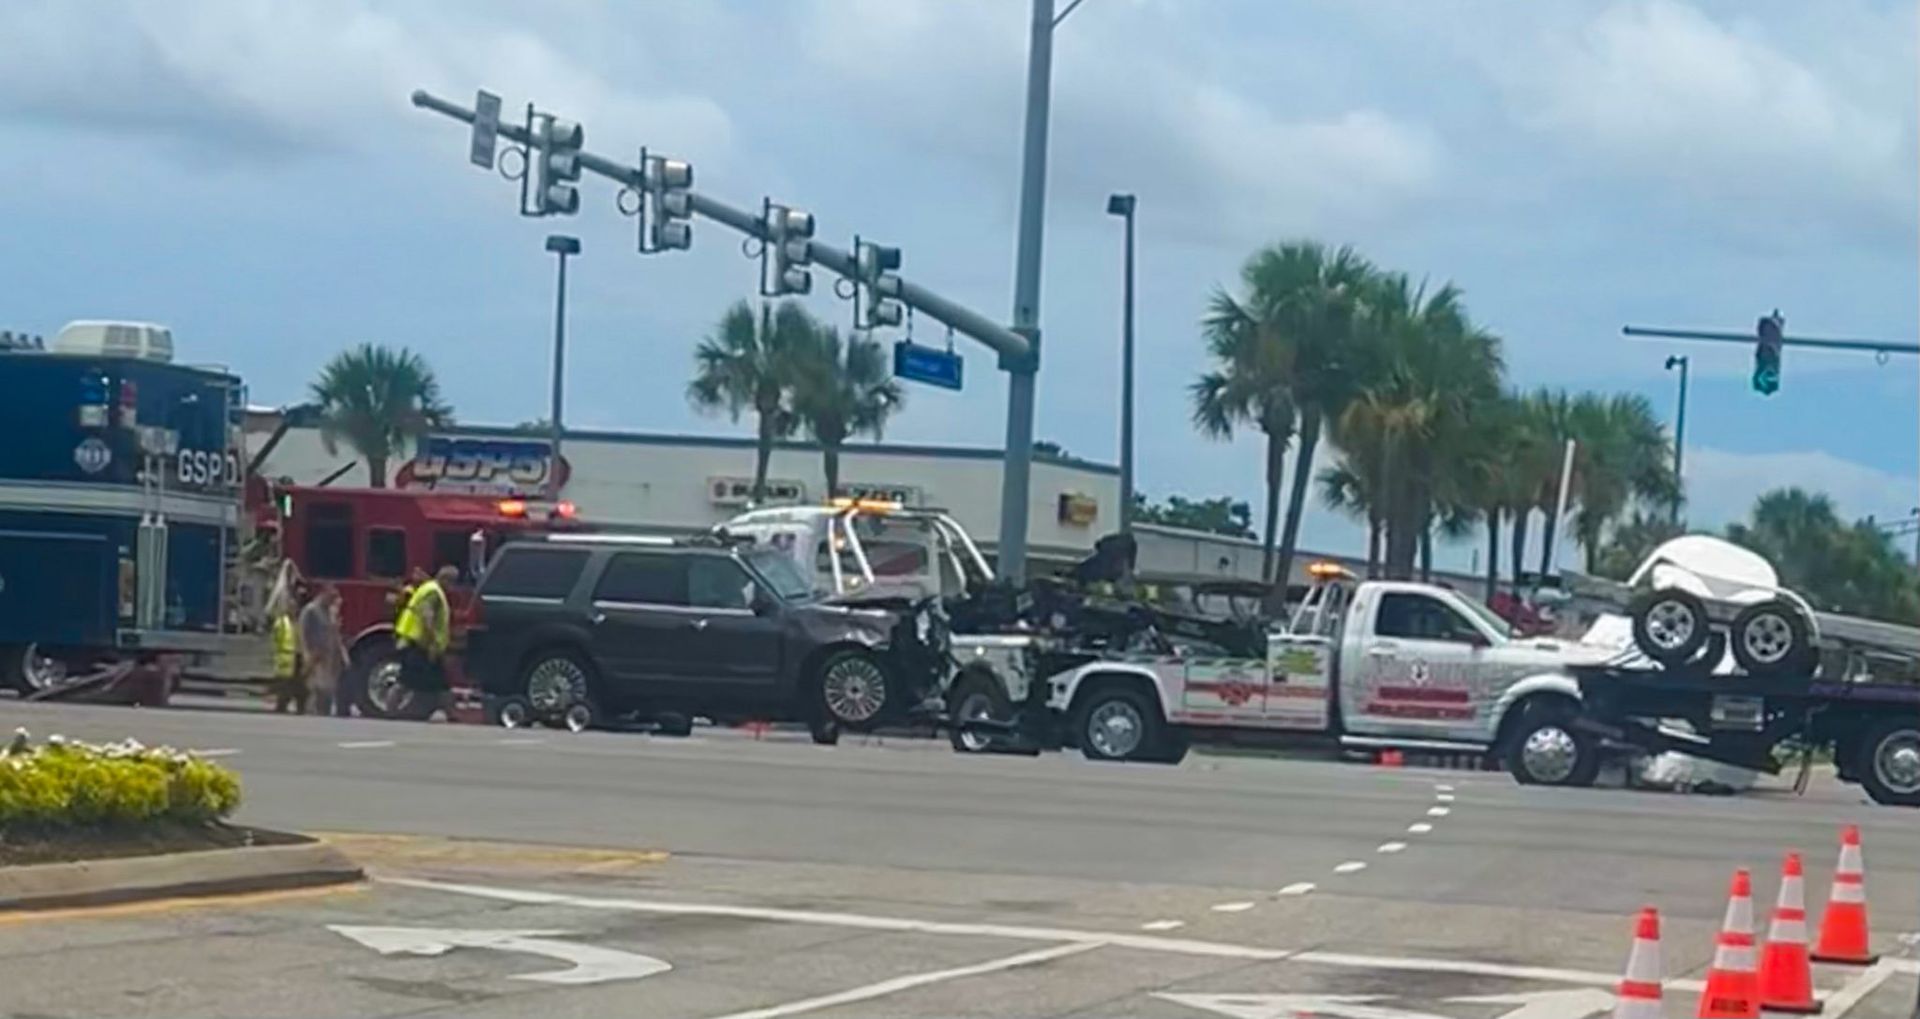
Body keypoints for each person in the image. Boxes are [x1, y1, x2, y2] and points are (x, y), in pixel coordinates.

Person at [393, 564, 458, 717]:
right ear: (446, 580)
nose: (452, 588)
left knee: (438, 682)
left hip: (416, 642)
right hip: (420, 644)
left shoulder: (429, 588)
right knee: (407, 680)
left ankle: (449, 713)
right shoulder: (433, 592)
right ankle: (391, 710)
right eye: (452, 583)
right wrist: (434, 640)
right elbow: (426, 615)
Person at [300, 584, 348, 717]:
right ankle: (313, 711)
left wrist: (342, 654)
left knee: (328, 686)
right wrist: (308, 654)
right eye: (331, 596)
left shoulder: (330, 612)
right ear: (323, 594)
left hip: (329, 655)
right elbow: (304, 632)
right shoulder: (311, 611)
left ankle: (324, 711)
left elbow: (335, 633)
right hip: (315, 654)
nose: (333, 600)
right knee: (317, 685)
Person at [270, 585, 307, 713]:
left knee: (300, 685)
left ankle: (300, 708)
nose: (293, 608)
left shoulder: (300, 621)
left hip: (297, 656)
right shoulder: (282, 622)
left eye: (295, 606)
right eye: (291, 606)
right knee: (285, 685)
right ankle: (281, 706)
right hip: (286, 657)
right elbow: (275, 639)